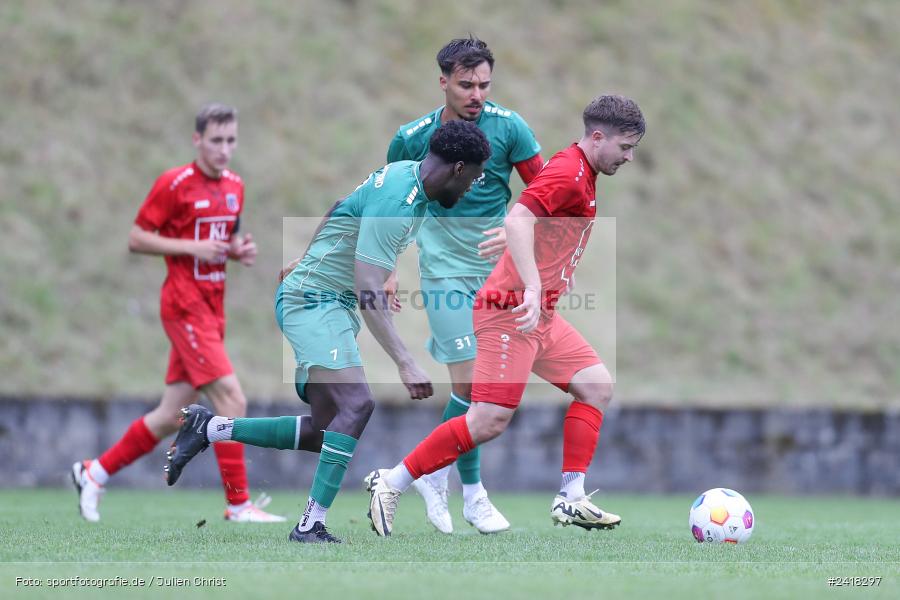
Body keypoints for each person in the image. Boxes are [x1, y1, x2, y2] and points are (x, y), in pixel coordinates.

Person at [164, 120, 492, 544]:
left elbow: (344, 204)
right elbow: (367, 287)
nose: (473, 187)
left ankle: (209, 429)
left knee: (325, 430)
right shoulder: (401, 197)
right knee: (357, 404)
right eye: (476, 176)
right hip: (312, 302)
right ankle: (309, 525)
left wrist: (307, 256)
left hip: (326, 303)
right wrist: (406, 362)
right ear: (458, 168)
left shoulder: (409, 181)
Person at [367, 95, 646, 537]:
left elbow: (531, 221)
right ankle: (393, 481)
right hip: (509, 313)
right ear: (597, 137)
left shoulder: (580, 171)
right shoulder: (570, 172)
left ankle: (571, 499)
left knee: (596, 387)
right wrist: (534, 284)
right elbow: (518, 219)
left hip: (541, 316)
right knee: (487, 420)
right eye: (625, 148)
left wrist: (555, 272)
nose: (629, 158)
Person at [71, 104, 284, 524]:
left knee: (171, 415)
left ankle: (93, 473)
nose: (224, 149)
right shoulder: (175, 183)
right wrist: (190, 248)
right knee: (231, 398)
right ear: (197, 140)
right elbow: (136, 238)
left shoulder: (235, 185)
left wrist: (238, 250)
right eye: (216, 140)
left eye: (231, 140)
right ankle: (239, 505)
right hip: (184, 306)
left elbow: (226, 237)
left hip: (212, 307)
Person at [383, 36, 543, 534]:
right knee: (474, 387)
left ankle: (440, 476)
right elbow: (389, 204)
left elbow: (544, 192)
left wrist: (518, 226)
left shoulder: (510, 127)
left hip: (499, 276)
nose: (476, 94)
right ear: (444, 82)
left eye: (484, 85)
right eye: (466, 84)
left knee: (487, 391)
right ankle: (472, 494)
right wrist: (386, 267)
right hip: (442, 271)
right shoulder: (412, 138)